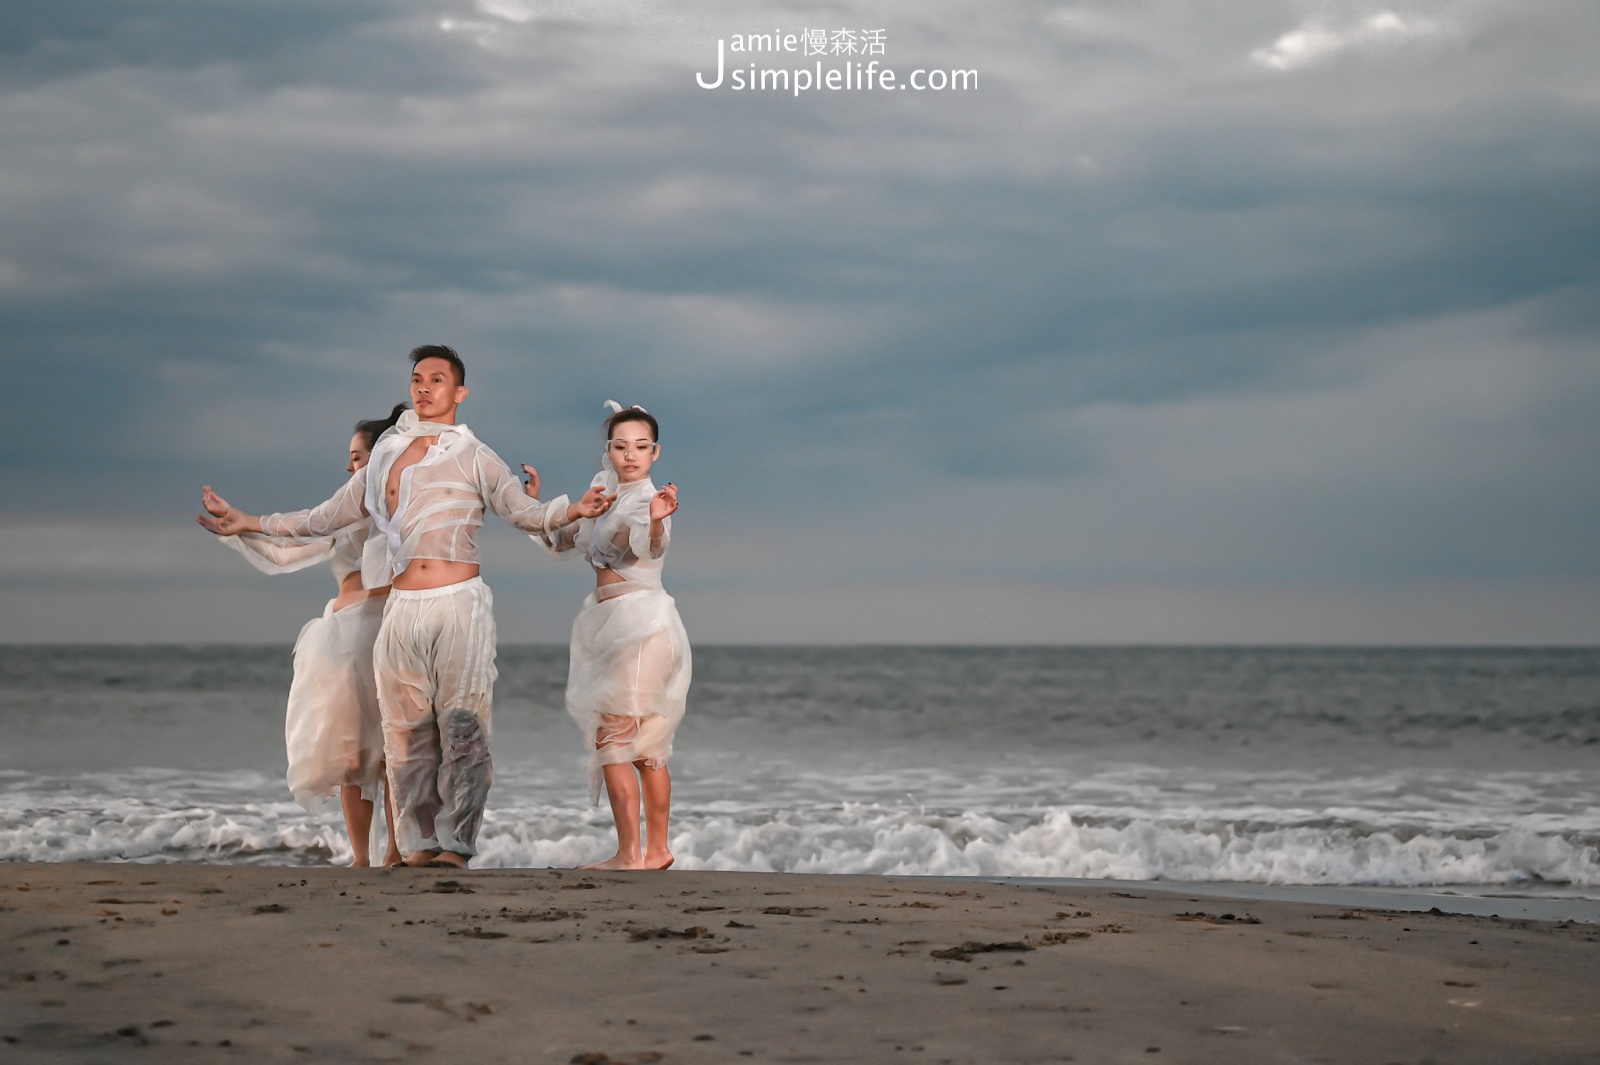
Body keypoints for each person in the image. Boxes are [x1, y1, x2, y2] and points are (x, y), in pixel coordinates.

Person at [198, 345, 612, 868]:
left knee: (462, 729)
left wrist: (574, 508)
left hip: (457, 602)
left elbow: (523, 511)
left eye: (437, 379)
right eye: (418, 378)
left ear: (459, 393)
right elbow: (326, 517)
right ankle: (417, 847)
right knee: (404, 734)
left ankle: (456, 847)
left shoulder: (477, 455)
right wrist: (248, 520)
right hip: (401, 608)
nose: (424, 387)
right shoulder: (386, 455)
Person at [199, 404, 407, 868]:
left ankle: (394, 853)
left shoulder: (395, 511)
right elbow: (281, 556)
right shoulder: (345, 514)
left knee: (392, 751)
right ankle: (362, 857)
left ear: (380, 457)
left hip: (384, 633)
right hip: (342, 638)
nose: (348, 467)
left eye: (356, 457)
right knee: (355, 754)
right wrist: (234, 530)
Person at [539, 401, 690, 871]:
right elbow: (562, 542)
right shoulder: (603, 496)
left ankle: (632, 854)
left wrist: (661, 517)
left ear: (656, 451)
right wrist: (546, 505)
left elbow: (652, 544)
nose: (631, 455)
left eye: (641, 447)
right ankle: (655, 850)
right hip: (612, 625)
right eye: (622, 446)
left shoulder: (651, 500)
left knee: (618, 740)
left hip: (642, 624)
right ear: (609, 450)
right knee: (640, 744)